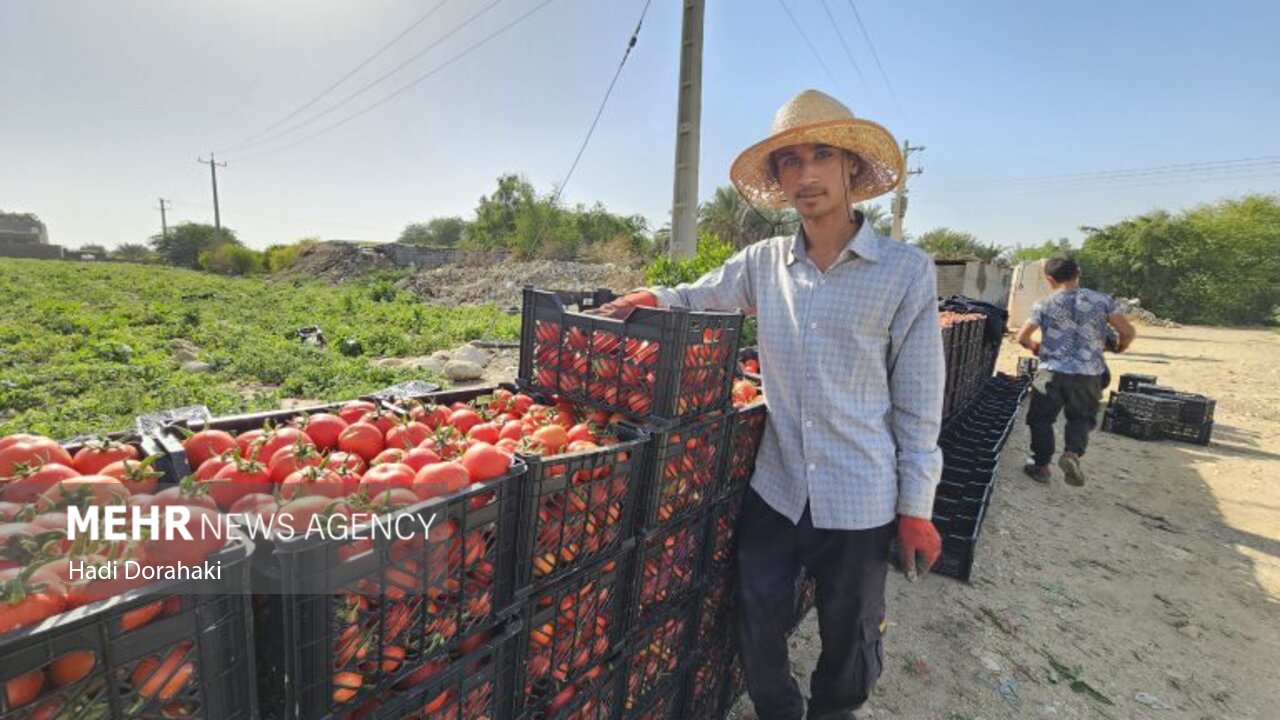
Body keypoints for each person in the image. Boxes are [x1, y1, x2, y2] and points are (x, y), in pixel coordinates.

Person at [593, 89, 945, 720]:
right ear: (779, 180)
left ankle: (834, 711)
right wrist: (648, 295)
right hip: (778, 486)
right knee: (756, 612)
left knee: (852, 631)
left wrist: (916, 507)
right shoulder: (764, 263)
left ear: (851, 170)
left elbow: (919, 402)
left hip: (859, 492)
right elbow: (700, 295)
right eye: (789, 161)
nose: (805, 174)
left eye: (821, 155)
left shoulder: (906, 272)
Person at [1015, 257, 1136, 486]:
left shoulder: (1043, 304)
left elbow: (1022, 337)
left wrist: (1036, 348)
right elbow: (1127, 331)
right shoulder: (1103, 301)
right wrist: (1120, 347)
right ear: (1078, 272)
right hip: (1088, 373)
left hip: (1051, 372)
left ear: (1049, 280)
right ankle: (1072, 454)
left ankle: (1041, 466)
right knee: (1081, 417)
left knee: (1040, 419)